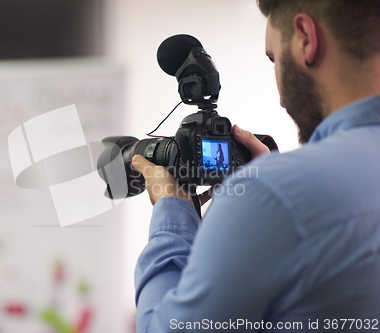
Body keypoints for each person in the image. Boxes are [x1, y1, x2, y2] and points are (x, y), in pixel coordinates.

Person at [131, 0, 380, 332]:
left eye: (274, 58)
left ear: (306, 38)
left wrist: (171, 208)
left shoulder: (274, 194)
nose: (280, 95)